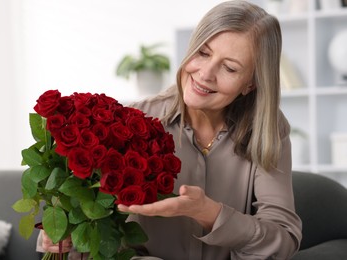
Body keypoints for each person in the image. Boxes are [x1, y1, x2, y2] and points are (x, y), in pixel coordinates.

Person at [38, 1, 302, 259]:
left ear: (251, 84)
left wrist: (208, 212)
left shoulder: (268, 130)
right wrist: (60, 234)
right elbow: (94, 230)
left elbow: (283, 240)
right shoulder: (131, 120)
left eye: (230, 68)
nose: (205, 74)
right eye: (203, 53)